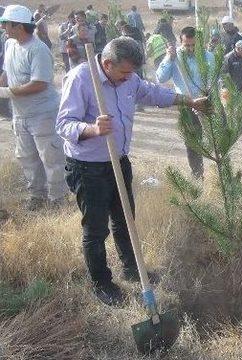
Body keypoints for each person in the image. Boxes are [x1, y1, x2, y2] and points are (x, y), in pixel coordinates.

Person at [56, 36, 208, 306]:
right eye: (125, 72)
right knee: (96, 228)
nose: (130, 78)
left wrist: (188, 101)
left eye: (132, 73)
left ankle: (132, 269)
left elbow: (152, 92)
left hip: (120, 160)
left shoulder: (130, 79)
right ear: (106, 64)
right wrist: (91, 129)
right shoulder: (81, 79)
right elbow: (63, 124)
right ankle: (101, 284)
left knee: (125, 218)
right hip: (88, 167)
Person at [0, 5, 66, 211]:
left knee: (51, 157)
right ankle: (37, 195)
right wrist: (2, 84)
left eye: (6, 24)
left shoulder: (38, 49)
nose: (3, 27)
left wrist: (7, 92)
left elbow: (39, 83)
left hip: (42, 114)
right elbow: (6, 72)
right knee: (27, 157)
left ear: (18, 26)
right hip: (20, 115)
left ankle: (57, 198)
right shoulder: (10, 44)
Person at [157, 26, 214, 179]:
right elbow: (160, 78)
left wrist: (207, 98)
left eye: (193, 45)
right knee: (192, 142)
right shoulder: (175, 57)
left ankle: (219, 173)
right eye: (186, 45)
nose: (190, 48)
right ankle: (197, 175)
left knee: (216, 140)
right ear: (181, 43)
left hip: (206, 101)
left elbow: (213, 80)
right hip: (186, 104)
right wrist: (169, 58)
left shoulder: (208, 57)